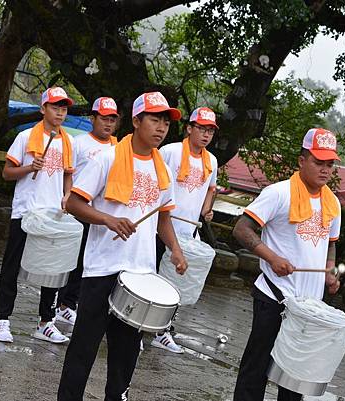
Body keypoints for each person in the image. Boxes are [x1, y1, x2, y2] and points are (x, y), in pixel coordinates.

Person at [57, 91, 188, 401]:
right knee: (84, 347)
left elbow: (164, 218)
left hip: (140, 274)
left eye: (165, 123)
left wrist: (176, 250)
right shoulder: (108, 158)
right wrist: (108, 220)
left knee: (126, 353)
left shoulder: (163, 169)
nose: (160, 128)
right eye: (154, 120)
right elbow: (73, 203)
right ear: (136, 121)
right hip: (102, 268)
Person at [232, 128, 342, 401]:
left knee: (295, 376)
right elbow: (242, 229)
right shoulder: (279, 193)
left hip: (308, 306)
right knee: (256, 368)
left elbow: (331, 242)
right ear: (301, 160)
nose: (325, 170)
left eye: (330, 164)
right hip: (274, 295)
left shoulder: (334, 203)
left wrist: (330, 269)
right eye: (318, 162)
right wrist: (271, 257)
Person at [0, 86, 75, 344]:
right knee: (12, 265)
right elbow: (7, 173)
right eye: (55, 107)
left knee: (52, 269)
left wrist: (67, 195)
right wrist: (30, 167)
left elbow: (68, 174)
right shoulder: (26, 137)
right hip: (26, 211)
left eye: (64, 108)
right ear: (43, 109)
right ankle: (3, 319)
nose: (60, 112)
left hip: (52, 214)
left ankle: (45, 322)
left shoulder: (67, 141)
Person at [151, 106, 219, 353]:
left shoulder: (211, 160)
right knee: (153, 275)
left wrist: (207, 209)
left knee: (176, 281)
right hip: (160, 226)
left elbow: (211, 188)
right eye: (201, 128)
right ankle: (140, 325)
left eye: (210, 130)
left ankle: (164, 329)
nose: (206, 135)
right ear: (189, 128)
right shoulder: (170, 151)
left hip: (188, 233)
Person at [54, 97, 120, 326]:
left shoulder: (118, 148)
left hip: (99, 214)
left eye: (113, 119)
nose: (108, 124)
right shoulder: (78, 142)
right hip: (76, 208)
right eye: (104, 118)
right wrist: (66, 195)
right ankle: (57, 303)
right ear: (93, 119)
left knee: (86, 261)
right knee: (68, 260)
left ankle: (69, 304)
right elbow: (68, 173)